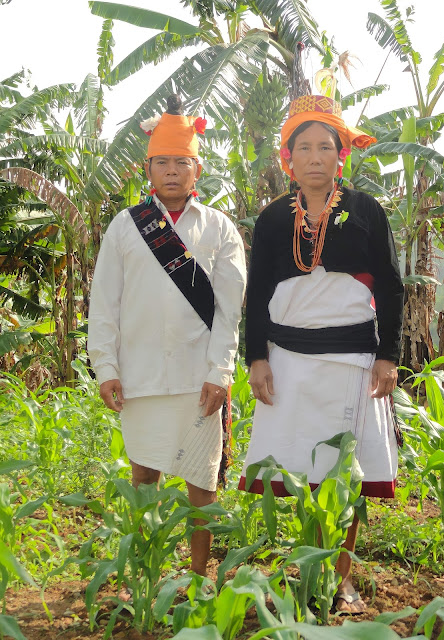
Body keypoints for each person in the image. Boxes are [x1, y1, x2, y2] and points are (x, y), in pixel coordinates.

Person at [238, 95, 404, 613]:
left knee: (345, 469)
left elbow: (393, 288)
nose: (314, 157)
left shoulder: (367, 212)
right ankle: (306, 564)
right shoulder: (270, 220)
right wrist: (256, 358)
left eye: (324, 147)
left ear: (340, 156)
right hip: (288, 359)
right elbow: (258, 291)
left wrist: (388, 356)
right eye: (303, 147)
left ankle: (342, 572)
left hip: (354, 360)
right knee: (299, 462)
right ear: (288, 157)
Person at [88, 94, 246, 577]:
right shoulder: (124, 227)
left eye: (182, 162)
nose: (172, 171)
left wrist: (221, 371)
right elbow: (104, 303)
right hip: (139, 376)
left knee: (202, 482)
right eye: (163, 163)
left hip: (200, 379)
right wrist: (107, 368)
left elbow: (229, 310)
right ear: (148, 168)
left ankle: (199, 577)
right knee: (144, 475)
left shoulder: (220, 228)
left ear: (197, 169)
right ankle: (147, 572)